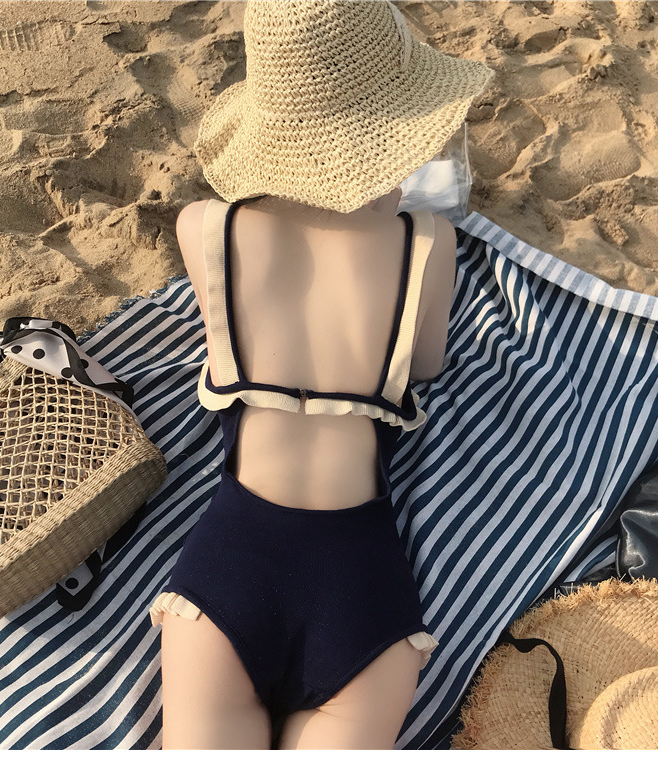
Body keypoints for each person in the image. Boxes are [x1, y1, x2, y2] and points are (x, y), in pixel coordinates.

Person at [148, 0, 494, 749]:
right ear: (394, 133)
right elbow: (425, 365)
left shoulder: (207, 227)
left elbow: (224, 337)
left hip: (232, 562)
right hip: (359, 580)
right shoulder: (428, 243)